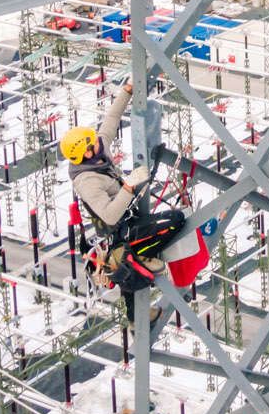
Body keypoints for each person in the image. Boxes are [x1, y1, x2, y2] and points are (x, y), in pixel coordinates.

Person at [62, 80, 182, 306]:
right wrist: (128, 187)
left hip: (128, 220)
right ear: (85, 154)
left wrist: (127, 91)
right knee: (175, 220)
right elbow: (109, 216)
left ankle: (136, 307)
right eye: (92, 145)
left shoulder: (98, 155)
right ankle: (140, 253)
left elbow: (111, 120)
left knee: (170, 221)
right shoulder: (87, 180)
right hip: (121, 230)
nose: (98, 143)